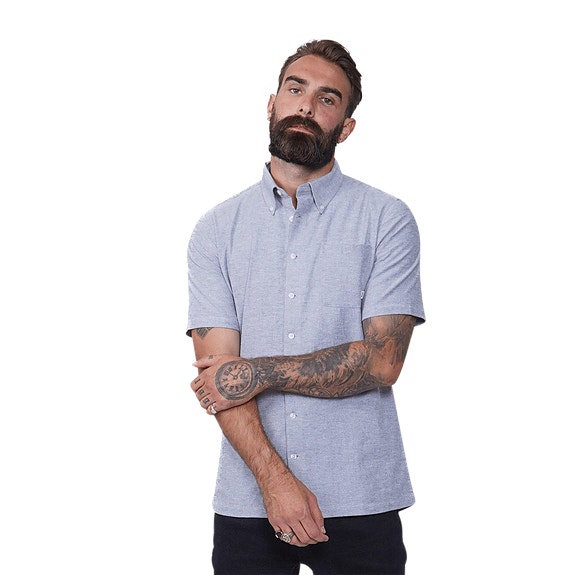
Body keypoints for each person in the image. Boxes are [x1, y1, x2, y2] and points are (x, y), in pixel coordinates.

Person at [186, 39, 425, 575]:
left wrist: (257, 372)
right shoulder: (215, 231)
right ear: (272, 103)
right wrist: (274, 481)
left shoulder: (386, 220)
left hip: (361, 494)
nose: (307, 106)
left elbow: (383, 361)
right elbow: (219, 379)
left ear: (346, 127)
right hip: (248, 499)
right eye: (296, 89)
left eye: (327, 99)